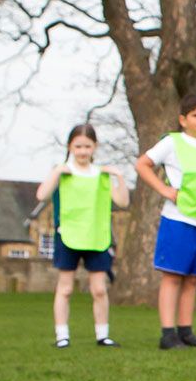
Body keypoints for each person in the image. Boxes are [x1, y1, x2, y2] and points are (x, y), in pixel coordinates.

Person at [134, 95, 196, 350]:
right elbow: (142, 165)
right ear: (183, 120)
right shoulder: (172, 142)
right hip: (177, 219)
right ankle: (168, 334)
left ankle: (186, 331)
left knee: (193, 278)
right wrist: (164, 191)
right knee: (173, 276)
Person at [35, 123, 130, 348]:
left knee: (99, 289)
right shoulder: (63, 172)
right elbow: (41, 195)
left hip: (96, 237)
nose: (83, 151)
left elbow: (123, 201)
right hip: (68, 235)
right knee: (65, 288)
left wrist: (118, 176)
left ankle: (103, 335)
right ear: (70, 147)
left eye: (87, 146)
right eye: (78, 146)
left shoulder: (101, 175)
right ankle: (62, 336)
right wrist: (57, 171)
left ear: (95, 147)